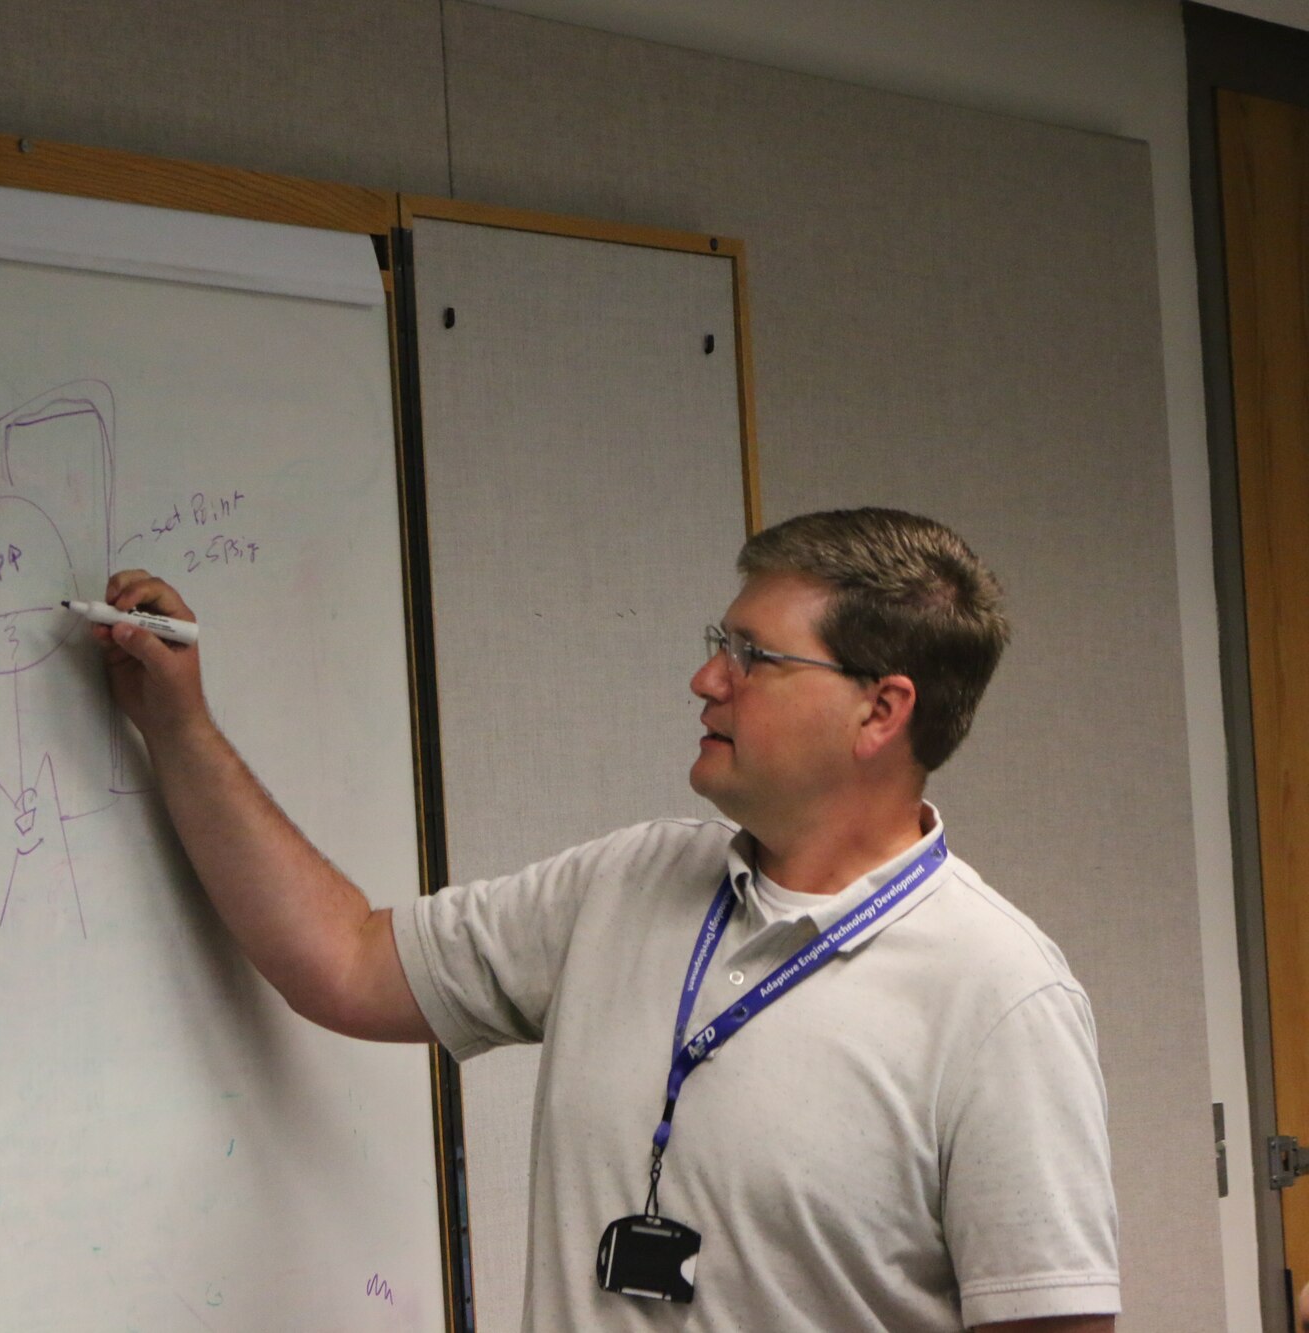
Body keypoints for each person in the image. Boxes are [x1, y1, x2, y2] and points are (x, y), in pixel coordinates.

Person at [90, 507, 1119, 1332]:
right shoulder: (625, 883)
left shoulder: (997, 995)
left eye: (753, 655)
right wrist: (179, 726)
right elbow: (343, 963)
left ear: (878, 711)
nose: (706, 677)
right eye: (719, 643)